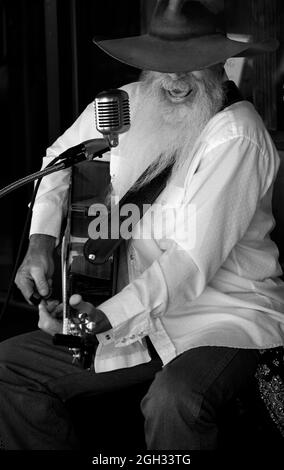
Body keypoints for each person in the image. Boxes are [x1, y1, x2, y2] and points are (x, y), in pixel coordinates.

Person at [1, 0, 284, 450]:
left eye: (189, 65)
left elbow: (190, 264)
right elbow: (59, 160)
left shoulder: (237, 135)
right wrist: (40, 240)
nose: (174, 79)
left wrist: (104, 317)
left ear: (217, 62)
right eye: (162, 65)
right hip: (134, 316)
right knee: (9, 367)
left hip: (222, 318)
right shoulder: (126, 104)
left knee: (175, 400)